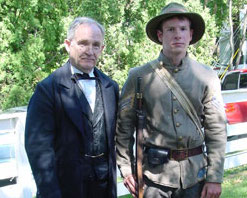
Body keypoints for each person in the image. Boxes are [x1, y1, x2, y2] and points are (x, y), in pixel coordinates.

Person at [116, 2, 227, 198]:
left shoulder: (207, 76)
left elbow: (216, 129)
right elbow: (124, 128)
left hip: (196, 176)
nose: (178, 35)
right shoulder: (138, 76)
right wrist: (126, 169)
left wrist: (214, 177)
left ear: (191, 34)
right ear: (160, 35)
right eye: (171, 30)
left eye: (183, 29)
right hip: (154, 178)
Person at [25, 17, 119, 198]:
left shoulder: (111, 87)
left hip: (103, 187)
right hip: (66, 187)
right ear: (68, 45)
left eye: (96, 45)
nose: (90, 51)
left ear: (102, 49)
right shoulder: (48, 89)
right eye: (83, 44)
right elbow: (38, 149)